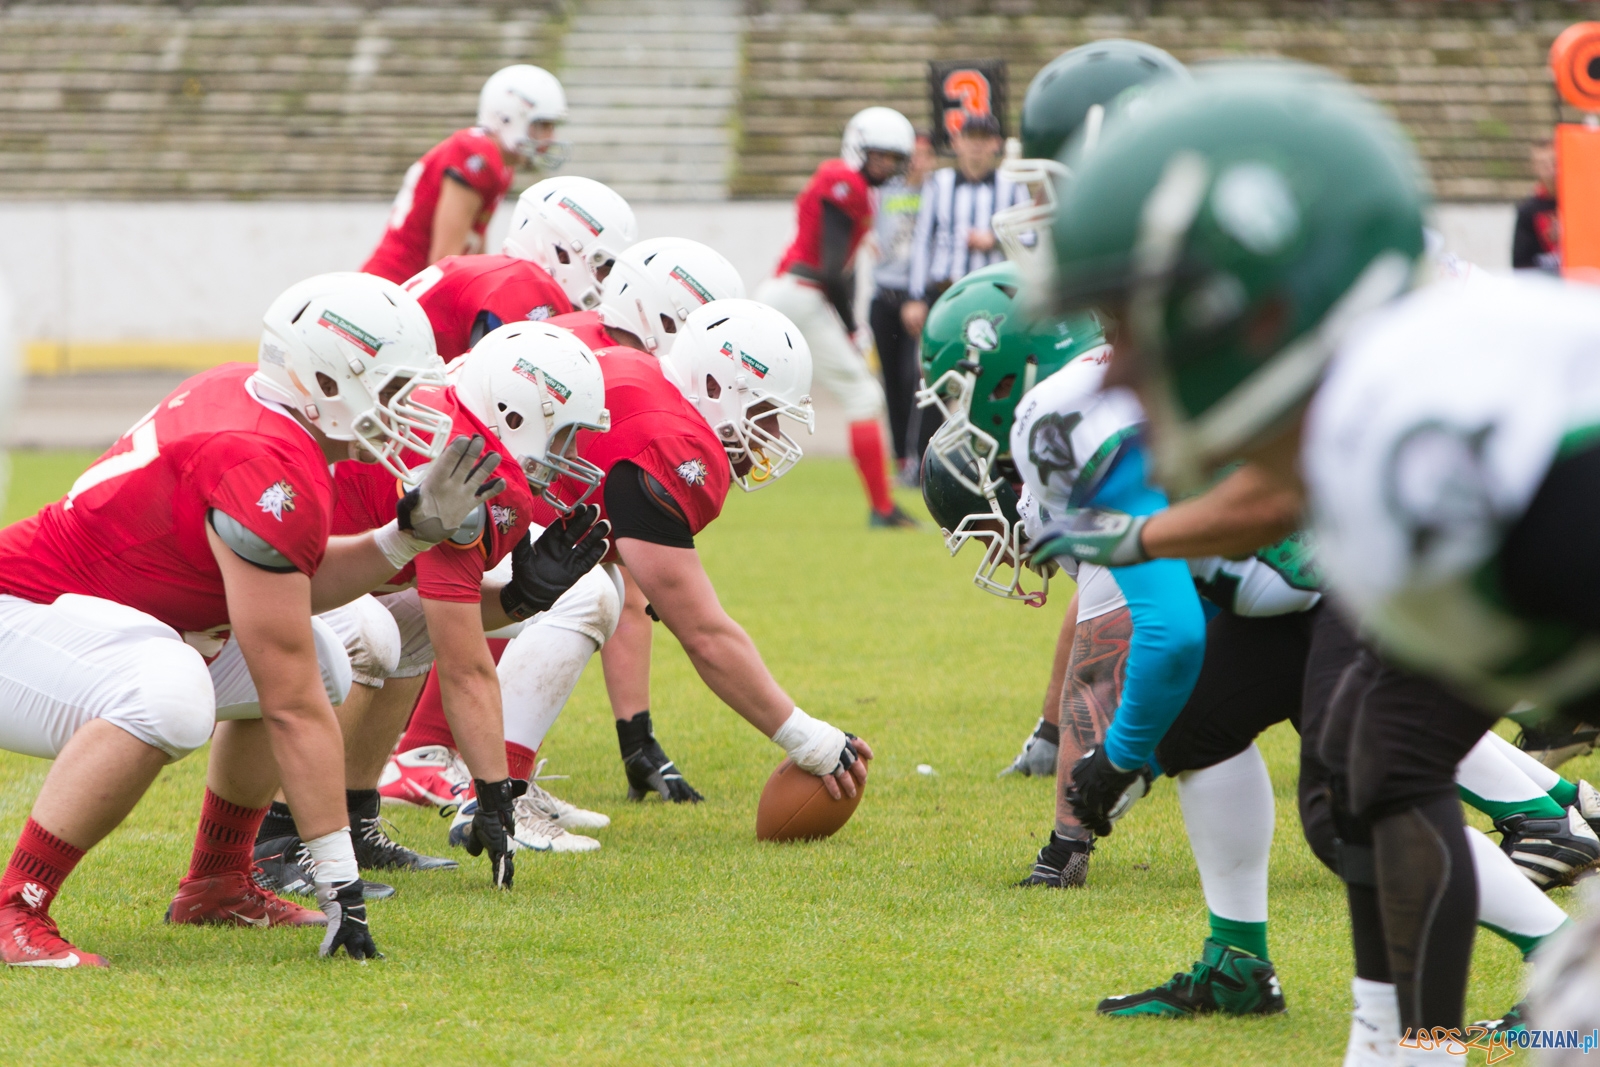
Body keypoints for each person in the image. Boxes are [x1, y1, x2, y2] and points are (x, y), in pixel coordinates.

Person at [1029, 65, 1600, 1063]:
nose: (1122, 373)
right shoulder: (1380, 401)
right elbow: (1288, 492)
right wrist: (1137, 539)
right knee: (1378, 764)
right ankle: (1411, 1042)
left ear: (1264, 312)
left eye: (1148, 331)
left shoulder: (1436, 427)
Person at [0, 272, 497, 966]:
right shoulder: (260, 459)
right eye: (391, 390)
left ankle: (218, 882)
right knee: (172, 693)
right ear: (327, 382)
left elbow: (291, 583)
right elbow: (287, 695)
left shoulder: (266, 412)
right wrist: (341, 880)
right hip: (24, 619)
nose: (405, 410)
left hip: (90, 618)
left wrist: (404, 537)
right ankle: (15, 906)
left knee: (326, 658)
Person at [380, 237, 748, 812]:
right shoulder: (584, 350)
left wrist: (636, 734)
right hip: (404, 509)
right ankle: (444, 761)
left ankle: (463, 768)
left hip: (406, 512)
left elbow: (624, 570)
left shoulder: (586, 342)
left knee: (574, 579)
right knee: (565, 584)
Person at [250, 320, 614, 893]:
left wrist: (520, 600)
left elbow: (445, 611)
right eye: (564, 435)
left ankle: (354, 818)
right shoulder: (466, 470)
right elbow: (465, 666)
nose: (570, 456)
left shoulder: (470, 444)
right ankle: (277, 837)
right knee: (372, 632)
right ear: (515, 414)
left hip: (312, 571)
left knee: (406, 628)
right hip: (268, 574)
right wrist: (493, 792)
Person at [757, 106, 920, 528]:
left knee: (750, 396)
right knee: (863, 396)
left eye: (893, 158)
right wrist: (850, 328)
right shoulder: (844, 181)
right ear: (859, 148)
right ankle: (882, 509)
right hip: (800, 296)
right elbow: (831, 271)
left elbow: (841, 271)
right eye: (879, 156)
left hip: (794, 294)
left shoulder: (856, 187)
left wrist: (848, 326)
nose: (886, 165)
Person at [361, 65, 568, 284]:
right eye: (543, 125)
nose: (551, 137)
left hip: (403, 284)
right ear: (508, 117)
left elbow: (474, 249)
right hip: (394, 284)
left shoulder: (500, 165)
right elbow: (443, 262)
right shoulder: (478, 155)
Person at [401, 175, 638, 360]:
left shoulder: (503, 274)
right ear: (560, 252)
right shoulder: (524, 286)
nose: (609, 280)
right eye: (605, 267)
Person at [900, 113, 1026, 338]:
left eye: (983, 138)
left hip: (995, 294)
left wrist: (995, 239)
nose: (977, 145)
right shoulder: (938, 183)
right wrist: (916, 296)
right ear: (957, 142)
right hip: (946, 291)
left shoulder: (1012, 185)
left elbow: (1031, 236)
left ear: (995, 143)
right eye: (971, 137)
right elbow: (922, 239)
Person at [867, 130, 938, 486]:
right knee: (892, 382)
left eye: (925, 154)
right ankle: (900, 458)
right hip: (885, 294)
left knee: (916, 378)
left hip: (918, 298)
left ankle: (920, 456)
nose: (917, 161)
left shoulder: (937, 193)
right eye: (913, 154)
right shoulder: (885, 191)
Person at [1512, 138, 1560, 273]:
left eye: (1554, 162)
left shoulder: (1579, 203)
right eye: (1543, 164)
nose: (1550, 169)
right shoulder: (1528, 211)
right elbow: (1520, 264)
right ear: (1535, 167)